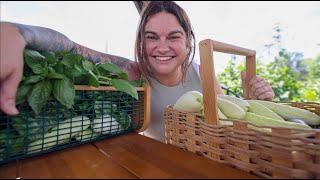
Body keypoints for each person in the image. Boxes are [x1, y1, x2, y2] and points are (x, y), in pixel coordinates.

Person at [0, 1, 274, 142]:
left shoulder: (202, 70)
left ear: (189, 40)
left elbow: (227, 120)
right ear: (141, 41)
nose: (161, 47)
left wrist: (252, 102)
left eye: (173, 36)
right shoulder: (133, 73)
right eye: (151, 36)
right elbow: (71, 48)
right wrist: (19, 32)